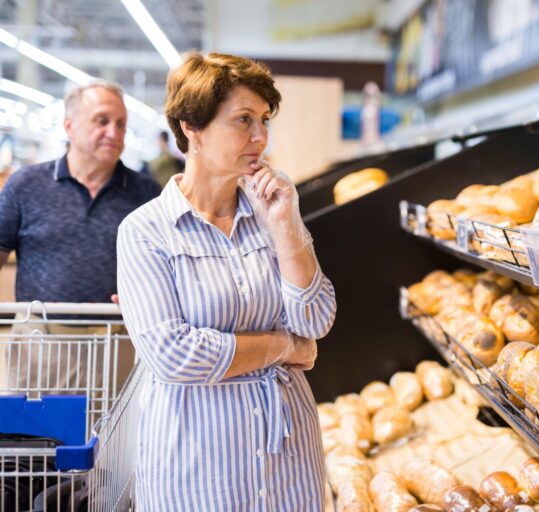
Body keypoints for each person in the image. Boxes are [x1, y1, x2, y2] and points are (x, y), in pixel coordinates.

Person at [116, 52, 336, 510]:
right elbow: (173, 354)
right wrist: (283, 347)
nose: (260, 137)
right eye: (243, 119)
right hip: (197, 465)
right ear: (191, 127)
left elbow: (315, 320)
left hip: (288, 461)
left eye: (264, 120)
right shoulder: (146, 231)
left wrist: (285, 225)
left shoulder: (271, 212)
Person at [0, 81, 160, 391]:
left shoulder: (146, 194)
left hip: (117, 342)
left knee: (113, 424)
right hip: (40, 343)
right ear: (69, 126)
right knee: (37, 423)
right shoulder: (26, 185)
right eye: (102, 121)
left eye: (121, 124)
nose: (114, 132)